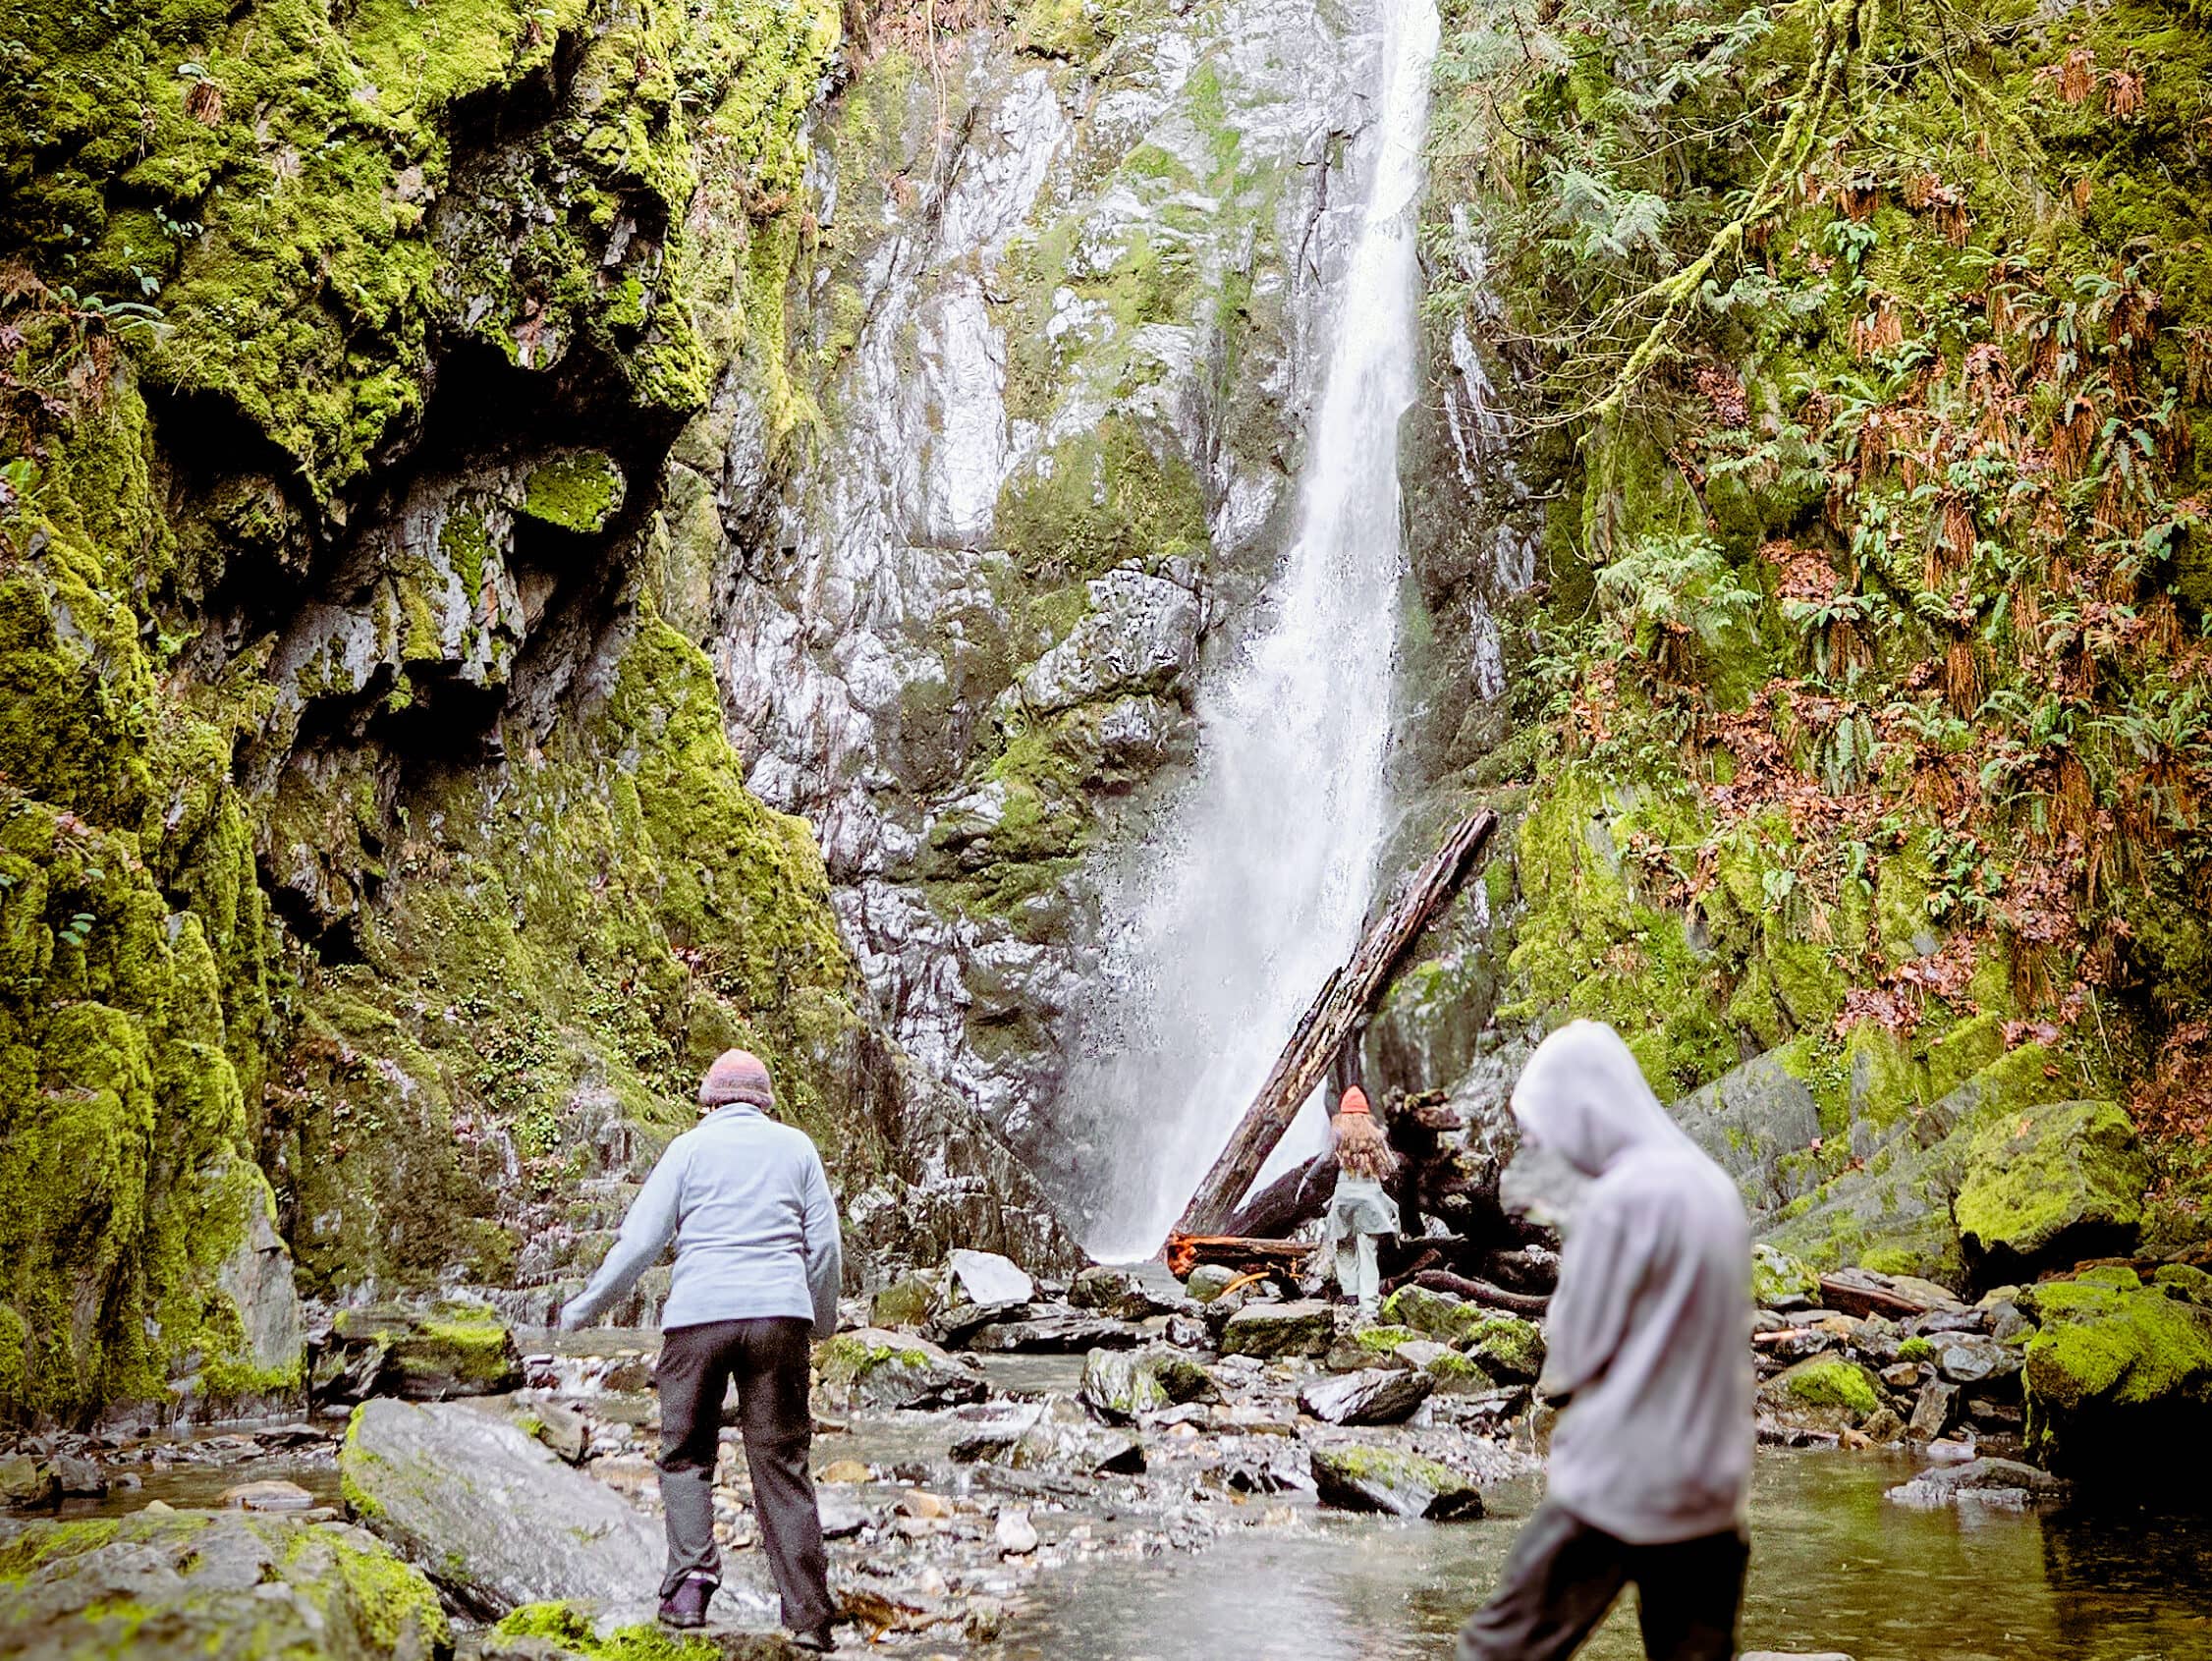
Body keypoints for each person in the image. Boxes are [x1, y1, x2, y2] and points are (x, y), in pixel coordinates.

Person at [1459, 1020, 1753, 1661]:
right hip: (1710, 1489)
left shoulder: (1621, 1199)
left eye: (1550, 1128)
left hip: (1620, 1482)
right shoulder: (1715, 1189)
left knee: (1497, 1648)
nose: (1550, 1146)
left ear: (1584, 1109)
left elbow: (1575, 1348)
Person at [559, 1050, 843, 1650]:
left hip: (697, 1320)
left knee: (686, 1454)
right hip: (778, 1318)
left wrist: (583, 1310)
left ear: (708, 1100)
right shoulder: (797, 1149)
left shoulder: (686, 1150)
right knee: (782, 1463)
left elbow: (638, 1243)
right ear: (765, 1102)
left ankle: (689, 1590)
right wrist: (818, 1321)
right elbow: (825, 1250)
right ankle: (810, 1617)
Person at [1326, 1086, 1400, 1319]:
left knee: (1344, 1246)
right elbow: (1391, 1168)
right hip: (1371, 1201)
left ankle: (1350, 1295)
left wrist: (1307, 1180)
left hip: (1345, 1199)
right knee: (1369, 1252)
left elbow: (1324, 1162)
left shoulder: (1338, 1133)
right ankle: (1369, 1306)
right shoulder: (1376, 1135)